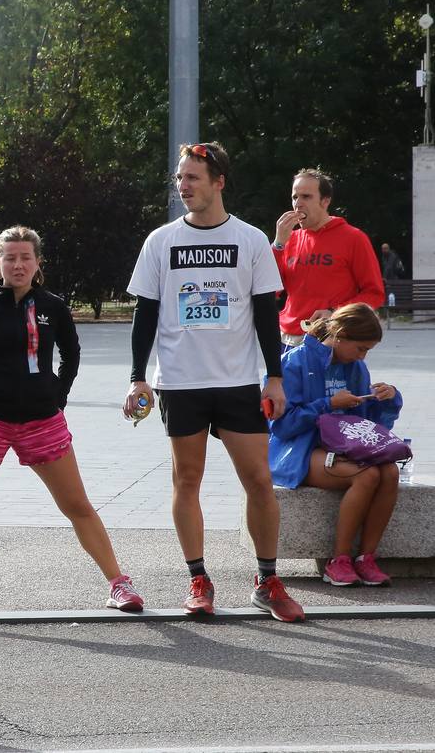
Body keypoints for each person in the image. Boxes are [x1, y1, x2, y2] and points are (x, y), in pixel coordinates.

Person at [125, 141, 304, 622]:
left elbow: (268, 316)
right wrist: (138, 378)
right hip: (180, 382)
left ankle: (267, 580)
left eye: (193, 178)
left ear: (218, 182)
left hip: (239, 382)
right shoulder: (161, 241)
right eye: (180, 178)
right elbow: (146, 314)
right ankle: (198, 579)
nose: (183, 186)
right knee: (187, 479)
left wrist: (275, 377)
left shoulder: (248, 241)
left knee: (259, 481)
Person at [0, 226, 144, 613]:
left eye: (25, 257)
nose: (17, 264)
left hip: (42, 422)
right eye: (9, 257)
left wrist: (57, 397)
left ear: (37, 262)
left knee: (77, 505)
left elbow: (72, 355)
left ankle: (118, 583)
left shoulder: (53, 306)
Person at [268, 303, 403, 586]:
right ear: (340, 336)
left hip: (341, 450)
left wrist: (387, 398)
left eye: (367, 350)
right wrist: (327, 404)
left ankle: (366, 558)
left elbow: (365, 427)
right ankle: (339, 560)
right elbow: (281, 426)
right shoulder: (295, 361)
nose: (363, 356)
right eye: (361, 348)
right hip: (299, 450)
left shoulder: (356, 368)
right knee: (366, 475)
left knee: (389, 472)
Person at [272, 169, 384, 346]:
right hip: (287, 338)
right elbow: (271, 289)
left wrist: (335, 312)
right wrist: (278, 244)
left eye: (306, 197)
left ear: (325, 201)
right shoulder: (289, 239)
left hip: (330, 337)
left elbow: (374, 294)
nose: (298, 204)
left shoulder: (353, 238)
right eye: (295, 197)